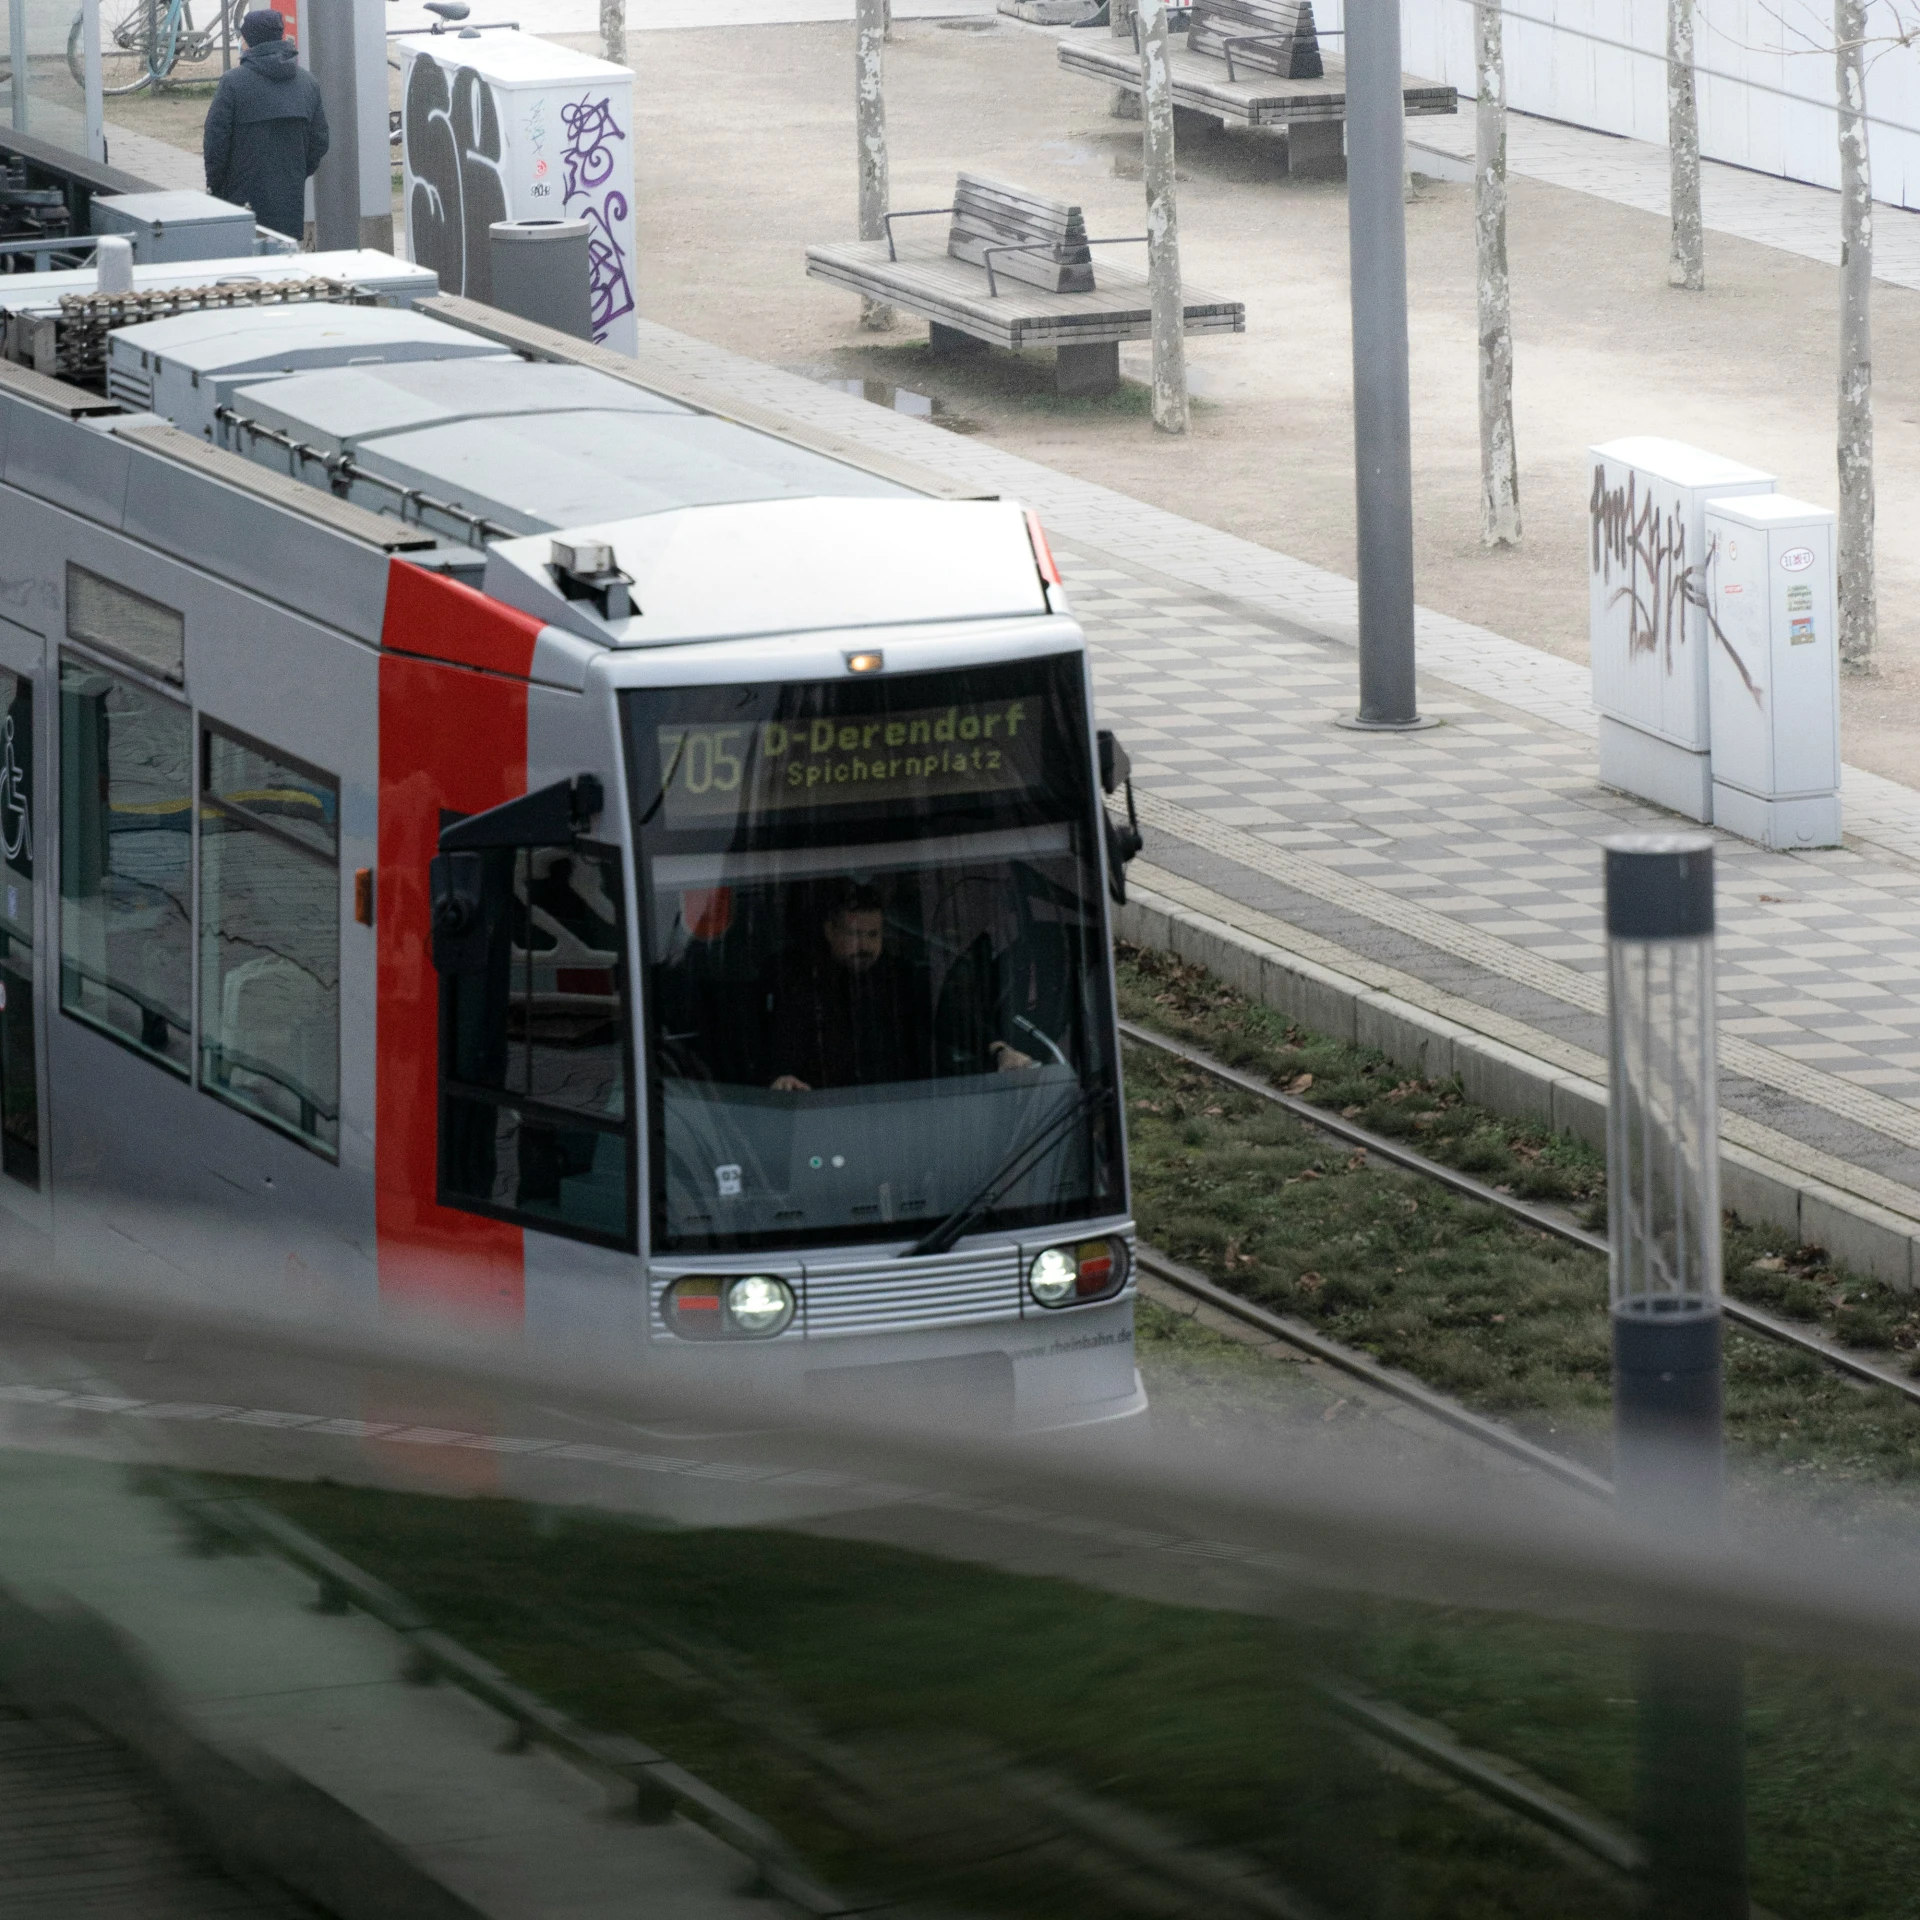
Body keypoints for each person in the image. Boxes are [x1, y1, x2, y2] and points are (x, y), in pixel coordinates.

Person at [769, 884, 1035, 1092]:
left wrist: (999, 1049)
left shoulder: (903, 977)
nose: (865, 946)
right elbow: (779, 1042)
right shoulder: (797, 981)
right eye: (854, 935)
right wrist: (781, 1076)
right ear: (830, 931)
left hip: (900, 1108)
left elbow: (951, 1018)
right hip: (821, 1112)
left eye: (873, 935)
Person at [203, 10, 329, 244]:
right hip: (288, 202)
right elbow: (319, 142)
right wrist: (295, 173)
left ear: (247, 39)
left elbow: (215, 142)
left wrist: (215, 187)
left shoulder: (232, 83)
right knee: (284, 267)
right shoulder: (307, 83)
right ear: (280, 36)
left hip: (239, 200)